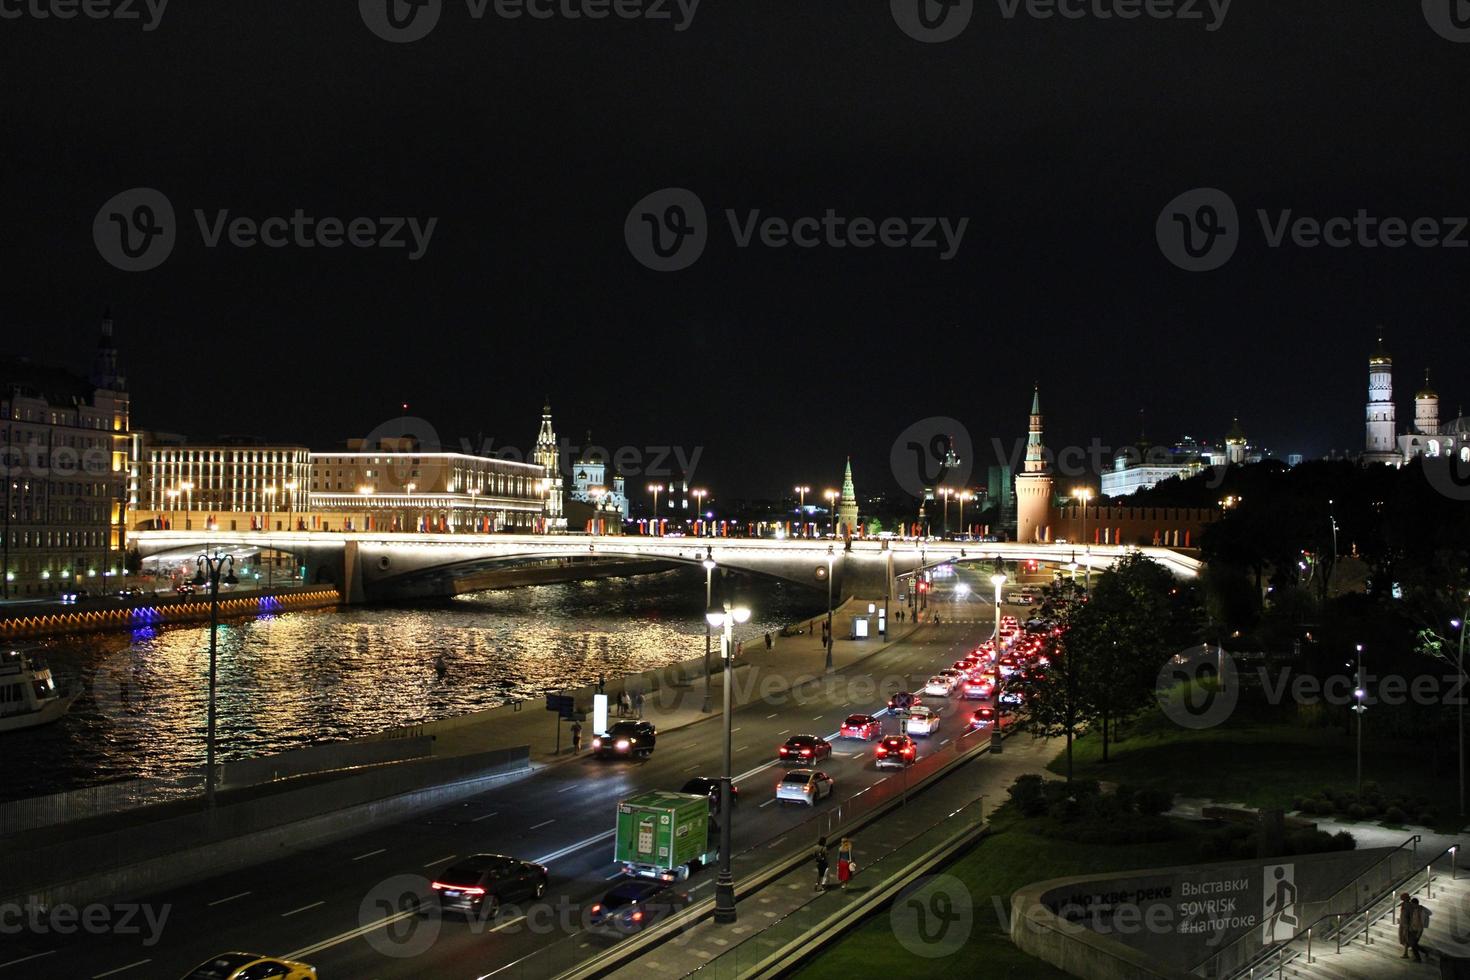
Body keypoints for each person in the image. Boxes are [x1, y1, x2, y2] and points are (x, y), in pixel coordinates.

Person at [1406, 896, 1428, 962]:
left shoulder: (1421, 911)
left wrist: (1419, 933)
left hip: (1418, 930)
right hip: (1413, 929)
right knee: (1414, 944)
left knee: (1413, 944)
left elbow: (1421, 923)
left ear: (1415, 904)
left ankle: (1419, 958)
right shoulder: (1414, 910)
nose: (1412, 905)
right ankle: (1424, 953)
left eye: (1412, 904)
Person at [1398, 892, 1413, 958]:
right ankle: (1409, 949)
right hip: (1402, 923)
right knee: (1403, 937)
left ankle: (1406, 953)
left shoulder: (1409, 906)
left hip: (1406, 924)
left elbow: (1410, 915)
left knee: (1406, 937)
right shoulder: (1403, 904)